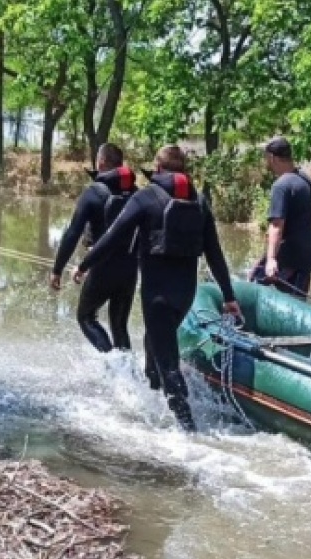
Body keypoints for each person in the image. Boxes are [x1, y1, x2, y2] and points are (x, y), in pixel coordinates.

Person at [74, 145, 241, 433]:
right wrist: (228, 296)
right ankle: (152, 401)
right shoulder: (200, 201)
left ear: (158, 168)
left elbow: (113, 237)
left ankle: (189, 432)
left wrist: (84, 264)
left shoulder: (145, 197)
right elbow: (215, 253)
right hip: (185, 295)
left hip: (157, 297)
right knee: (153, 344)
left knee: (168, 365)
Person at [50, 143, 138, 352]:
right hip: (130, 268)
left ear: (101, 162)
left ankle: (112, 363)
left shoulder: (93, 192)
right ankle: (128, 368)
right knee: (119, 326)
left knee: (86, 317)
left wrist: (57, 270)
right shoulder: (137, 194)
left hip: (102, 266)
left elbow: (72, 234)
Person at [249, 136, 311, 298]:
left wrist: (271, 259)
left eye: (266, 157)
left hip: (286, 260)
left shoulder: (281, 186)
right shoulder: (307, 180)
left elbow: (276, 226)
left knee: (254, 286)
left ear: (272, 157)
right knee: (297, 303)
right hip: (306, 258)